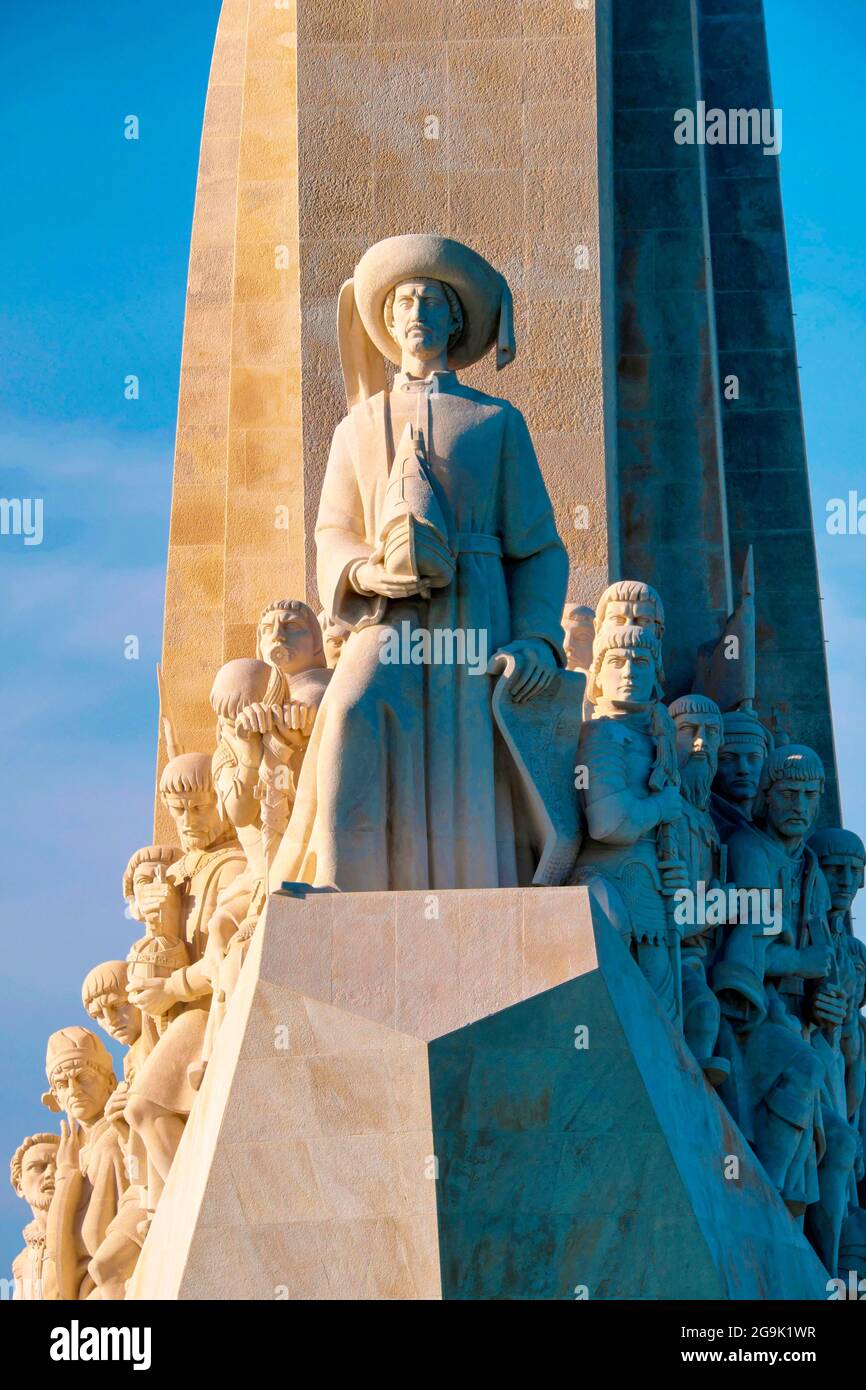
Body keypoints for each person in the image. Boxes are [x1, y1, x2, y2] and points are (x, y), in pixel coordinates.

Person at [270, 234, 569, 893]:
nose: (416, 311)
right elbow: (333, 530)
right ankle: (340, 885)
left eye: (431, 300)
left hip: (477, 600)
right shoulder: (358, 425)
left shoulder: (495, 420)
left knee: (464, 754)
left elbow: (540, 546)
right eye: (404, 300)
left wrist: (538, 637)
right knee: (349, 711)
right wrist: (362, 574)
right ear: (387, 322)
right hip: (387, 608)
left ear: (455, 320)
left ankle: (475, 899)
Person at [9, 1132, 59, 1299]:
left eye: (59, 1165)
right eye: (38, 1167)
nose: (51, 1173)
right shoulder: (21, 1263)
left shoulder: (83, 1237)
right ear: (19, 1186)